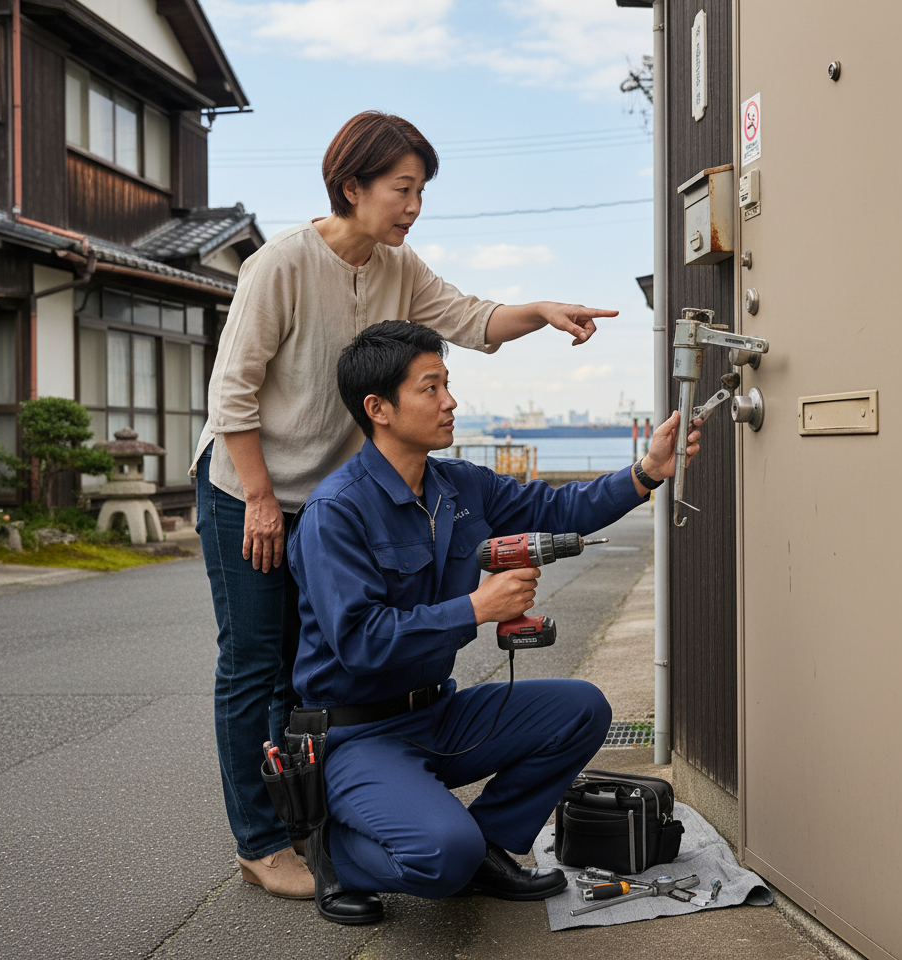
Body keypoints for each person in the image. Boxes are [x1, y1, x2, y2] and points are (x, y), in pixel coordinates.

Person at [192, 111, 621, 901]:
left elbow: (471, 318)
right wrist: (258, 497)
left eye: (421, 190)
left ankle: (325, 810)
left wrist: (546, 312)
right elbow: (232, 393)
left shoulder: (400, 264)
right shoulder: (280, 265)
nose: (414, 205)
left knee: (312, 668)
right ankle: (264, 840)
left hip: (337, 490)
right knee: (257, 664)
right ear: (351, 186)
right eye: (402, 189)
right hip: (248, 484)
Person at [287, 320, 702, 924]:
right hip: (357, 734)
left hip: (437, 713)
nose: (451, 401)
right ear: (378, 408)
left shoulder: (458, 486)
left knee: (581, 708)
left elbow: (559, 508)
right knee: (439, 857)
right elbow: (360, 643)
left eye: (447, 384)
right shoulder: (335, 512)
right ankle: (334, 851)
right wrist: (479, 607)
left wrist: (646, 473)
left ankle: (484, 844)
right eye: (431, 388)